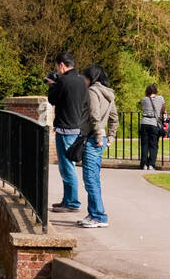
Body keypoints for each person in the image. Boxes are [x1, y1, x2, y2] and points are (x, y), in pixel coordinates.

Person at [46, 53, 88, 214]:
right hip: (77, 126)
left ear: (62, 65)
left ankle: (72, 202)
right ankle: (67, 199)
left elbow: (52, 100)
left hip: (65, 128)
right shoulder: (81, 80)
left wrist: (52, 85)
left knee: (67, 166)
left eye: (57, 66)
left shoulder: (63, 81)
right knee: (68, 165)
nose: (57, 69)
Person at [78, 65, 118, 228]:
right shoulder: (109, 94)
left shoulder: (93, 92)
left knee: (90, 178)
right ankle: (94, 212)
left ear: (91, 78)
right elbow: (114, 118)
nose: (84, 81)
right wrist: (111, 137)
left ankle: (99, 216)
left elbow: (94, 116)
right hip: (99, 139)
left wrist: (99, 136)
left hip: (93, 139)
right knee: (93, 178)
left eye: (85, 78)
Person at [138, 84, 164, 170]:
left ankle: (144, 164)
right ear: (155, 90)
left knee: (144, 144)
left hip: (144, 122)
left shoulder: (144, 100)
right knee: (154, 145)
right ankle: (152, 164)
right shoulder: (160, 98)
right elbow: (163, 109)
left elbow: (142, 107)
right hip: (154, 123)